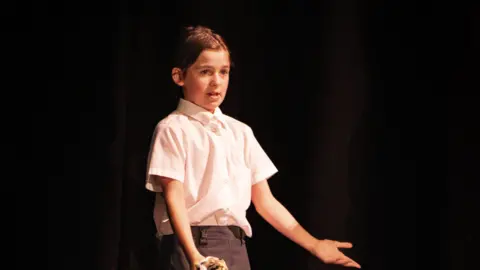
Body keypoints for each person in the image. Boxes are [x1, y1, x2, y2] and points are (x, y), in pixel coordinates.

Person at [145, 25, 361, 270]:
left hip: (235, 246)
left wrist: (314, 244)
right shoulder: (173, 128)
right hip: (190, 243)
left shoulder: (240, 132)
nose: (216, 81)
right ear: (179, 76)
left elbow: (265, 201)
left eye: (223, 72)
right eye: (205, 72)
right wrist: (194, 255)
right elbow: (174, 196)